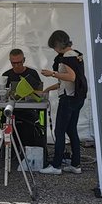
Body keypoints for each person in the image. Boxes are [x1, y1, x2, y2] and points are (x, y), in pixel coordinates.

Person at [40, 30, 87, 175]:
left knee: (59, 131)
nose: (54, 50)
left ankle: (55, 165)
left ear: (58, 44)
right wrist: (48, 88)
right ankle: (76, 164)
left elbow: (71, 77)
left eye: (54, 47)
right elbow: (66, 82)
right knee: (71, 129)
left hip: (68, 99)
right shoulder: (77, 55)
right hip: (78, 98)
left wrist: (52, 73)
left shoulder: (67, 57)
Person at [1, 48, 46, 160]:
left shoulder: (32, 74)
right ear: (10, 62)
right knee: (6, 122)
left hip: (28, 112)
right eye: (13, 63)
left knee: (27, 127)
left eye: (19, 62)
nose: (16, 65)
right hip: (11, 112)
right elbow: (2, 95)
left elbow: (40, 94)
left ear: (24, 60)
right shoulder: (6, 75)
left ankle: (28, 153)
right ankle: (10, 153)